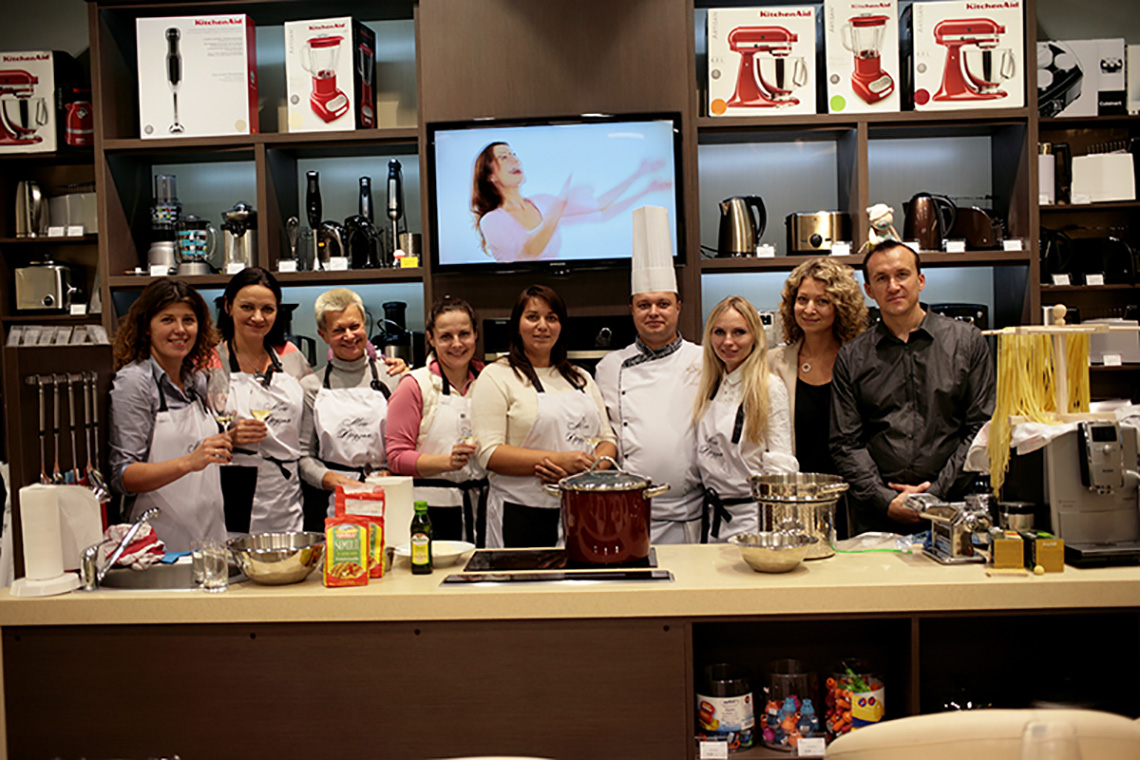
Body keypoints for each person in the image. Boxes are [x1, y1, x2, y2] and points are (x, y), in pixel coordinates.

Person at [830, 241, 995, 535]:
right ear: (869, 290)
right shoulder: (852, 357)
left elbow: (981, 427)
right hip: (876, 518)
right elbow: (846, 443)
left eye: (902, 275)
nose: (893, 286)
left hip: (952, 510)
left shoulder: (967, 342)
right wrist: (886, 500)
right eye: (881, 278)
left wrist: (935, 495)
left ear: (920, 280)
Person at [470, 284, 618, 548]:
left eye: (552, 318)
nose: (543, 326)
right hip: (521, 512)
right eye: (532, 317)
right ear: (517, 325)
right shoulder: (496, 376)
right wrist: (560, 461)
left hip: (583, 509)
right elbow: (488, 454)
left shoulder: (580, 377)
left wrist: (588, 470)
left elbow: (608, 440)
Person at [595, 205, 704, 544]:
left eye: (663, 303)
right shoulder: (609, 367)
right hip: (626, 507)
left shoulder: (706, 361)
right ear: (632, 310)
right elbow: (604, 434)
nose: (653, 313)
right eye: (644, 305)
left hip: (690, 512)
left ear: (678, 307)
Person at [108, 279, 232, 551]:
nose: (180, 330)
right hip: (158, 544)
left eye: (188, 320)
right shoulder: (135, 382)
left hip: (209, 533)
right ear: (146, 328)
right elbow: (124, 476)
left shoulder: (195, 380)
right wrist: (189, 461)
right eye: (167, 320)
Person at [769, 258, 868, 539]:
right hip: (794, 500)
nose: (809, 309)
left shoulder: (860, 362)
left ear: (841, 307)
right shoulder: (772, 364)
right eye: (802, 300)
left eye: (822, 301)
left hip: (852, 500)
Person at [211, 267, 312, 536]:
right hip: (230, 486)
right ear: (228, 306)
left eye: (267, 309)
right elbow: (190, 435)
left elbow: (314, 408)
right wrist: (229, 436)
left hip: (285, 490)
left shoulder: (290, 356)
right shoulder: (210, 361)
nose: (258, 317)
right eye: (247, 307)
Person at [694, 295, 797, 543]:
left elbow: (781, 468)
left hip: (754, 520)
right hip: (712, 518)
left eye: (739, 332)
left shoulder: (769, 387)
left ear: (755, 338)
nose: (727, 342)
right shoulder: (710, 385)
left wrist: (777, 531)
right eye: (719, 332)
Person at [299, 288, 406, 524]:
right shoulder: (311, 387)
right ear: (323, 335)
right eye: (338, 330)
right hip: (332, 496)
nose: (349, 336)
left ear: (365, 326)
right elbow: (304, 457)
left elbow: (409, 444)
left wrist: (393, 473)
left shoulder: (394, 378)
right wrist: (337, 481)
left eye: (355, 326)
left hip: (389, 489)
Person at [386, 296, 488, 544]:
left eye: (464, 334)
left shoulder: (491, 381)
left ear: (476, 334)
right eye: (445, 337)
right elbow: (397, 457)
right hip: (430, 511)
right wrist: (447, 462)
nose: (457, 344)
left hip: (487, 506)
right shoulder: (414, 385)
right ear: (430, 338)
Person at [471, 141, 670, 263]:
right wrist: (561, 203)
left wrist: (641, 181)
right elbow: (529, 254)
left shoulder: (542, 202)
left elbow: (600, 209)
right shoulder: (492, 220)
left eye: (513, 154)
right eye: (503, 157)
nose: (514, 160)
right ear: (490, 176)